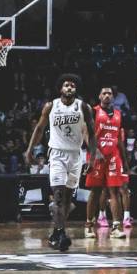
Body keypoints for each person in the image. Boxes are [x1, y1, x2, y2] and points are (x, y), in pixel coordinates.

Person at [26, 74, 89, 251]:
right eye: (66, 85)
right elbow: (39, 128)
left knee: (68, 201)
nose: (69, 87)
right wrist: (30, 149)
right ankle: (61, 233)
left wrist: (92, 152)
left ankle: (56, 232)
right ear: (60, 88)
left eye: (73, 85)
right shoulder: (51, 106)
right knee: (59, 195)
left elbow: (86, 130)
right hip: (57, 154)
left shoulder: (82, 107)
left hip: (76, 155)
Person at [86, 86, 131, 238]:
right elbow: (85, 133)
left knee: (115, 191)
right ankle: (89, 225)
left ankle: (116, 227)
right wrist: (94, 151)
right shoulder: (93, 111)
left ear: (113, 97)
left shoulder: (118, 114)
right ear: (99, 96)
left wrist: (125, 161)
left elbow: (119, 139)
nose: (107, 96)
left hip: (113, 156)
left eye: (109, 94)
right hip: (97, 156)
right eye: (104, 93)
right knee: (96, 191)